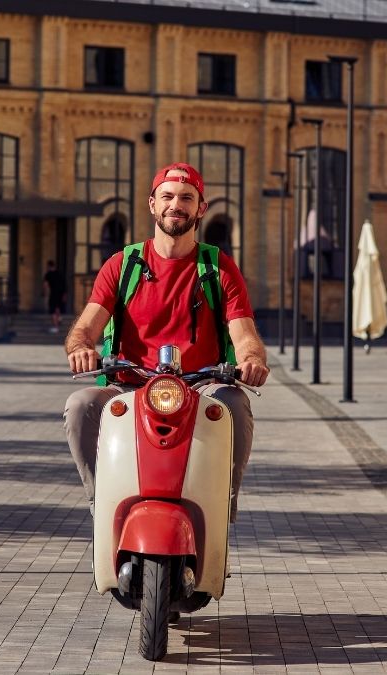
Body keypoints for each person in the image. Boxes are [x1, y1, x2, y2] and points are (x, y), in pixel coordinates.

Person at [63, 162, 269, 521]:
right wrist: (81, 348)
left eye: (187, 198)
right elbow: (86, 326)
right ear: (152, 204)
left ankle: (224, 504)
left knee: (235, 404)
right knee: (81, 404)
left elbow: (244, 333)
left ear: (201, 208)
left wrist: (251, 359)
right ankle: (102, 503)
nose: (177, 204)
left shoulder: (217, 267)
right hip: (130, 383)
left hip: (199, 385)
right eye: (168, 196)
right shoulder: (123, 264)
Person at [43, 260, 67, 333]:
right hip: (61, 293)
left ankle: (55, 327)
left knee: (53, 310)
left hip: (53, 293)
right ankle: (59, 318)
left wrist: (45, 293)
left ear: (49, 266)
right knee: (58, 307)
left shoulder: (48, 274)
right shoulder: (60, 274)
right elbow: (65, 284)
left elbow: (45, 285)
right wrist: (65, 294)